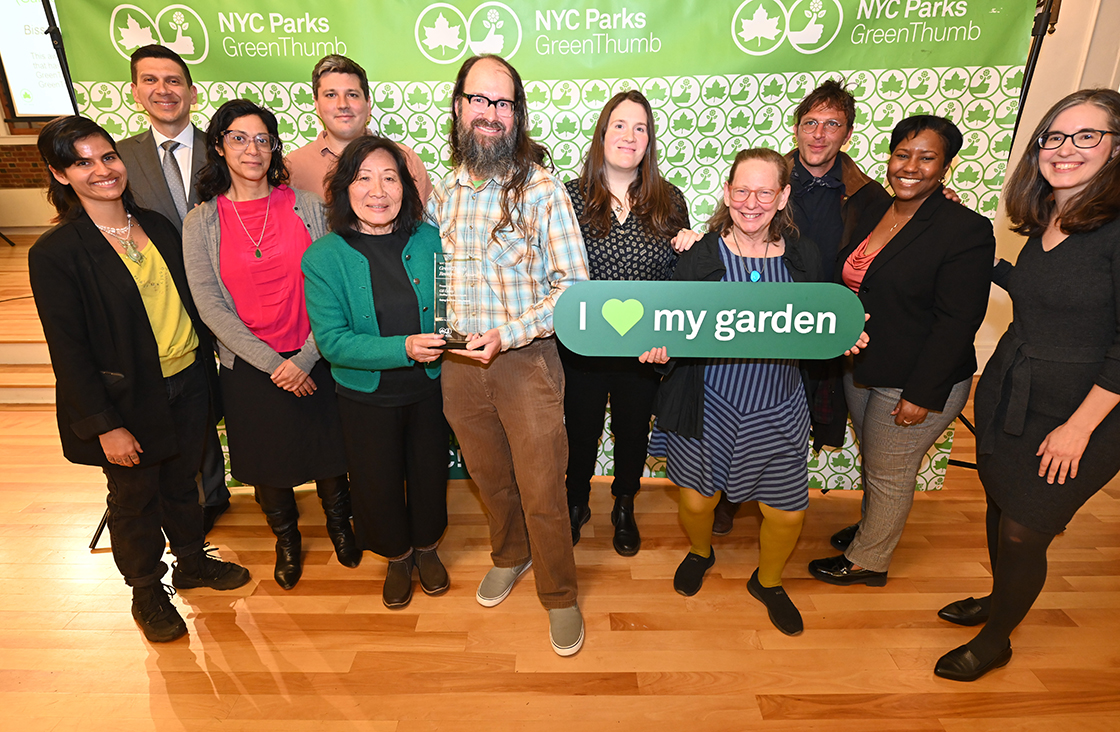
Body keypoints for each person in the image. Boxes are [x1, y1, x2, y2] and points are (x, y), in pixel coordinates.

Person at [28, 116, 250, 643]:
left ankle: (192, 563)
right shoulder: (56, 253)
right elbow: (70, 352)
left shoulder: (157, 225)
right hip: (125, 400)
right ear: (61, 175)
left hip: (187, 380)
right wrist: (105, 425)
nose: (102, 170)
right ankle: (147, 592)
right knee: (134, 499)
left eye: (107, 156)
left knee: (183, 484)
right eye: (82, 162)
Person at [935, 89, 1120, 682]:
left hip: (1083, 411)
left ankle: (997, 638)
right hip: (1014, 391)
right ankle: (1000, 599)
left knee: (1022, 530)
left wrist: (1078, 428)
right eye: (1055, 137)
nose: (1066, 149)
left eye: (1087, 136)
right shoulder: (1051, 218)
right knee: (999, 505)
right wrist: (960, 233)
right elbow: (1038, 293)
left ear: (1116, 148)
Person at [645, 148, 864, 636]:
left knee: (786, 512)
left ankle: (768, 582)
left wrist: (844, 334)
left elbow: (819, 321)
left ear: (783, 196)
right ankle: (701, 551)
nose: (751, 202)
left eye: (765, 191)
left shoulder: (805, 255)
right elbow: (674, 323)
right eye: (741, 190)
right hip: (709, 403)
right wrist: (660, 350)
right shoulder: (699, 254)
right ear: (726, 193)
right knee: (698, 503)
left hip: (779, 403)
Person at [426, 54, 589, 656]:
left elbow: (573, 288)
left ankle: (560, 593)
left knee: (543, 482)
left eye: (503, 103)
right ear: (460, 107)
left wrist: (509, 334)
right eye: (479, 100)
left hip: (525, 361)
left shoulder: (542, 190)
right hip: (458, 365)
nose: (491, 114)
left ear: (517, 115)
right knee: (489, 477)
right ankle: (510, 554)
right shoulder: (442, 191)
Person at [807, 116, 995, 587]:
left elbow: (957, 322)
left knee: (890, 472)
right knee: (878, 460)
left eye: (926, 158)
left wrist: (922, 393)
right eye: (902, 155)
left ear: (945, 167)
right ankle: (875, 529)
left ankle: (869, 560)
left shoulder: (965, 230)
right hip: (864, 366)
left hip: (916, 378)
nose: (911, 167)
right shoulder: (874, 210)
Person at [183, 99, 358, 591]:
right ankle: (286, 539)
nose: (251, 149)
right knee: (268, 462)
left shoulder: (306, 205)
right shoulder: (202, 222)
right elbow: (211, 307)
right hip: (249, 368)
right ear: (219, 146)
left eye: (262, 138)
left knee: (329, 451)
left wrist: (303, 358)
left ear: (274, 146)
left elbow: (333, 287)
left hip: (316, 354)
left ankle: (341, 526)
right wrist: (274, 365)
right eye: (238, 138)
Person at [712, 79, 892, 537]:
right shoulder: (768, 179)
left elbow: (892, 244)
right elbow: (728, 236)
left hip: (819, 324)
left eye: (831, 124)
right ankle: (729, 499)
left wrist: (937, 198)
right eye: (810, 122)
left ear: (847, 133)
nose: (819, 133)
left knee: (794, 416)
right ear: (796, 129)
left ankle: (774, 492)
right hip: (755, 324)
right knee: (743, 404)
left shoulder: (869, 197)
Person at [302, 136, 449, 609]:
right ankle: (397, 554)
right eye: (363, 178)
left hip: (429, 390)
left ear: (405, 187)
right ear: (345, 189)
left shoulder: (431, 241)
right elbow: (333, 342)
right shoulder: (323, 257)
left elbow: (456, 305)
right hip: (366, 396)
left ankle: (426, 547)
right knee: (376, 480)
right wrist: (404, 347)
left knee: (429, 473)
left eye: (389, 177)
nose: (378, 190)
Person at [561, 90, 690, 556]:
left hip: (644, 348)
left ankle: (623, 504)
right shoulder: (568, 196)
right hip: (582, 345)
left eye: (640, 127)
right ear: (602, 133)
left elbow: (681, 280)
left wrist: (692, 247)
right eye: (619, 124)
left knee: (634, 431)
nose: (629, 136)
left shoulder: (669, 199)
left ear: (650, 140)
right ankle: (576, 502)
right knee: (580, 429)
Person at [117, 44, 229, 532]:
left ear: (191, 91)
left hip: (226, 298)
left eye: (173, 80)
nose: (163, 90)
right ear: (136, 90)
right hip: (157, 304)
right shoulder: (119, 158)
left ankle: (217, 489)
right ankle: (194, 500)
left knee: (213, 400)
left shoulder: (225, 149)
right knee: (177, 399)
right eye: (150, 80)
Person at [285, 54, 432, 202]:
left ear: (368, 105)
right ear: (317, 105)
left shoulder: (406, 160)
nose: (342, 104)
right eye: (331, 95)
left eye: (352, 95)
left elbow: (423, 223)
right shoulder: (293, 168)